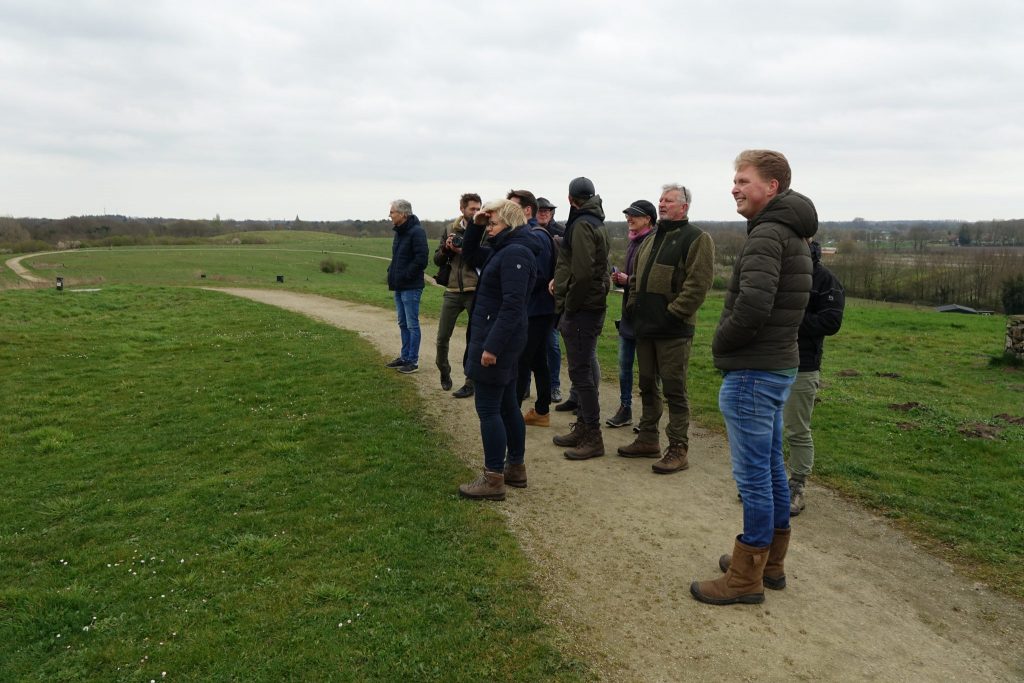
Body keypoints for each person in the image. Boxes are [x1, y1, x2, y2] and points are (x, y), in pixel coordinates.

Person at [690, 150, 816, 606]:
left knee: (754, 476)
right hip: (778, 364)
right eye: (735, 180)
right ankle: (771, 563)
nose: (734, 188)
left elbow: (754, 307)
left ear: (772, 187)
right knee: (770, 470)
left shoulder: (767, 235)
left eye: (744, 180)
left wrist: (721, 343)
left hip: (753, 371)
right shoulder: (793, 232)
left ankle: (746, 577)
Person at [618, 186, 715, 474]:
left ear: (683, 207)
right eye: (660, 200)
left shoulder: (697, 238)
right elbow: (635, 278)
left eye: (668, 200)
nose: (661, 204)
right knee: (647, 384)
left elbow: (698, 284)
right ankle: (648, 439)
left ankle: (678, 448)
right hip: (645, 327)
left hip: (674, 329)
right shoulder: (651, 239)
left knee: (674, 389)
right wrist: (634, 305)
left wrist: (674, 314)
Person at [458, 199, 537, 500]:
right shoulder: (504, 249)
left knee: (488, 408)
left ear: (510, 223)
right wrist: (476, 227)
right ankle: (515, 468)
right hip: (498, 337)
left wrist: (491, 347)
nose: (489, 228)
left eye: (493, 223)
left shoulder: (515, 252)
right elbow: (469, 255)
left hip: (498, 340)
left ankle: (493, 478)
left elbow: (513, 306)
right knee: (506, 406)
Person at [550, 176, 610, 460]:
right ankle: (584, 428)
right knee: (581, 371)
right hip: (589, 305)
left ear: (571, 199)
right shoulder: (595, 221)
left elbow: (584, 272)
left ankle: (593, 437)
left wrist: (569, 305)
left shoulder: (583, 224)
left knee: (581, 374)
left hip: (583, 309)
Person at [785, 239, 845, 515]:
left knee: (797, 428)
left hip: (803, 364)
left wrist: (791, 317)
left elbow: (831, 322)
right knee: (769, 425)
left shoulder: (825, 281)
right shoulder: (780, 272)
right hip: (768, 359)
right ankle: (771, 483)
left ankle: (797, 486)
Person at [605, 199, 657, 429]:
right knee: (624, 366)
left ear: (648, 219)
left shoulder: (654, 242)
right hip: (628, 316)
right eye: (627, 215)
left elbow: (654, 278)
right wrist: (622, 278)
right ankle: (625, 408)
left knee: (648, 373)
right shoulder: (633, 242)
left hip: (646, 317)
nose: (629, 218)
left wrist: (629, 280)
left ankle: (648, 417)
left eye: (634, 215)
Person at [507, 191, 558, 427]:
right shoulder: (531, 234)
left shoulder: (536, 236)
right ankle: (541, 411)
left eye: (513, 206)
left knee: (522, 361)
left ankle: (511, 413)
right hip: (537, 309)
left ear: (527, 210)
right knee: (538, 360)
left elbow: (538, 275)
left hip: (537, 310)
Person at [434, 193, 482, 394]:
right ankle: (444, 370)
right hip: (452, 290)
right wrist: (447, 250)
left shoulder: (484, 230)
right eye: (472, 208)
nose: (476, 212)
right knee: (442, 336)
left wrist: (466, 251)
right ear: (462, 209)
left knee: (475, 338)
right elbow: (436, 260)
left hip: (475, 290)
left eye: (478, 208)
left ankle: (470, 382)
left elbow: (486, 257)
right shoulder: (450, 229)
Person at [385, 199, 428, 374]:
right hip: (399, 286)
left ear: (403, 214)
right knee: (403, 323)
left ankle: (413, 361)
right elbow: (397, 258)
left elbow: (421, 259)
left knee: (412, 324)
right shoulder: (400, 232)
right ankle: (404, 357)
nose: (390, 215)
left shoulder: (417, 232)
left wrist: (405, 275)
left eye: (392, 212)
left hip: (411, 286)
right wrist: (392, 272)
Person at [537, 196, 565, 403]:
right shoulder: (526, 232)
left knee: (552, 345)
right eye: (540, 210)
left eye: (547, 210)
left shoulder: (562, 233)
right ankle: (525, 386)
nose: (544, 213)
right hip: (532, 296)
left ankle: (554, 386)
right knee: (527, 345)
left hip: (553, 298)